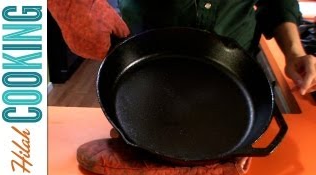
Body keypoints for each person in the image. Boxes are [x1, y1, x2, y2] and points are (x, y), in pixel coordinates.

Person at [48, 0, 316, 95]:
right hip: (145, 67)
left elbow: (279, 2)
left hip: (233, 76)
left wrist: (294, 52)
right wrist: (74, 6)